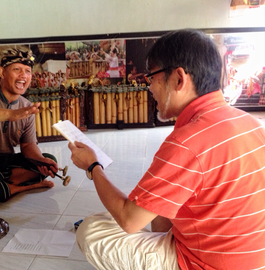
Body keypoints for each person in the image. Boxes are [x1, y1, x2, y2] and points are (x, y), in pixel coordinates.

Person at [68, 29, 265, 269]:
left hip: (209, 263)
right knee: (159, 202)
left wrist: (92, 166)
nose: (149, 88)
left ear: (179, 79)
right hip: (253, 257)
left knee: (92, 230)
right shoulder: (250, 123)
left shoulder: (187, 141)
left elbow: (129, 220)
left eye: (151, 78)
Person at [0, 48, 58, 202]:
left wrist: (40, 160)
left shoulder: (26, 105)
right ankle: (24, 186)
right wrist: (10, 114)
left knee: (49, 160)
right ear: (1, 72)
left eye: (27, 71)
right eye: (17, 69)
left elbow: (27, 146)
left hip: (5, 160)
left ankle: (4, 184)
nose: (23, 76)